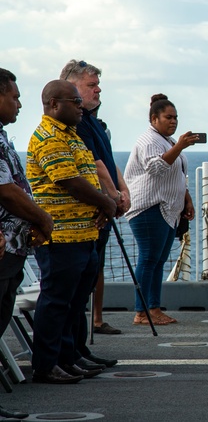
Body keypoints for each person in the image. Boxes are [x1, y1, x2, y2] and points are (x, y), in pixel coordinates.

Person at [26, 80, 122, 384]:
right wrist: (106, 202)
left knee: (73, 301)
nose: (81, 107)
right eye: (75, 102)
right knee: (56, 301)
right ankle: (46, 364)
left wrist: (101, 208)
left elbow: (88, 176)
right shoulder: (50, 137)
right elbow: (70, 181)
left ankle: (68, 356)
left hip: (83, 235)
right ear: (54, 104)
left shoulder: (72, 137)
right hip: (61, 237)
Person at [59, 59, 130, 336]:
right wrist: (113, 198)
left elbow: (108, 161)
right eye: (92, 85)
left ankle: (78, 348)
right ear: (72, 87)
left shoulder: (92, 123)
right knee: (73, 288)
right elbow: (94, 165)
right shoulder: (77, 127)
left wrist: (121, 194)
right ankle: (66, 353)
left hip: (102, 209)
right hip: (85, 214)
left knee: (90, 273)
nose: (98, 90)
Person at [0, 69, 55, 413]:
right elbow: (5, 192)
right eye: (15, 96)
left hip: (14, 244)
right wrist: (42, 217)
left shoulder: (3, 136)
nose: (20, 104)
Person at [122, 94, 197, 326]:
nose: (173, 121)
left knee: (157, 260)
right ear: (154, 118)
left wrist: (187, 199)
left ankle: (152, 308)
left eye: (175, 117)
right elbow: (156, 168)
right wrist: (181, 146)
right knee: (149, 259)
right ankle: (143, 311)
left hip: (166, 208)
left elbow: (176, 174)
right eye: (168, 117)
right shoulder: (149, 141)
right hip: (149, 207)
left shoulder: (167, 140)